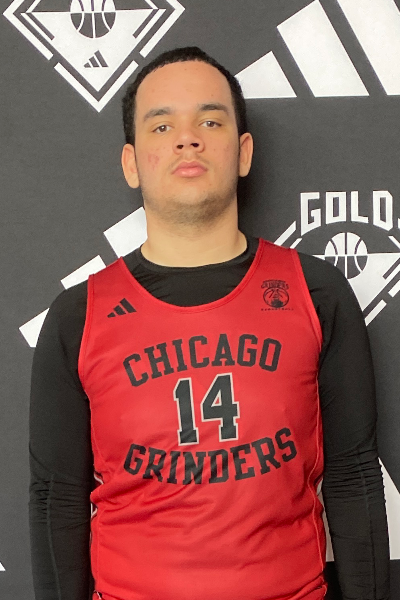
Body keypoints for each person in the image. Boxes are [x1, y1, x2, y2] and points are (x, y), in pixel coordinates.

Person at [29, 46, 390, 600]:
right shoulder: (78, 317)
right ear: (131, 163)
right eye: (162, 125)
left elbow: (354, 478)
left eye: (210, 121)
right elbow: (57, 500)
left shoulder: (316, 294)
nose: (187, 139)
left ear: (243, 152)